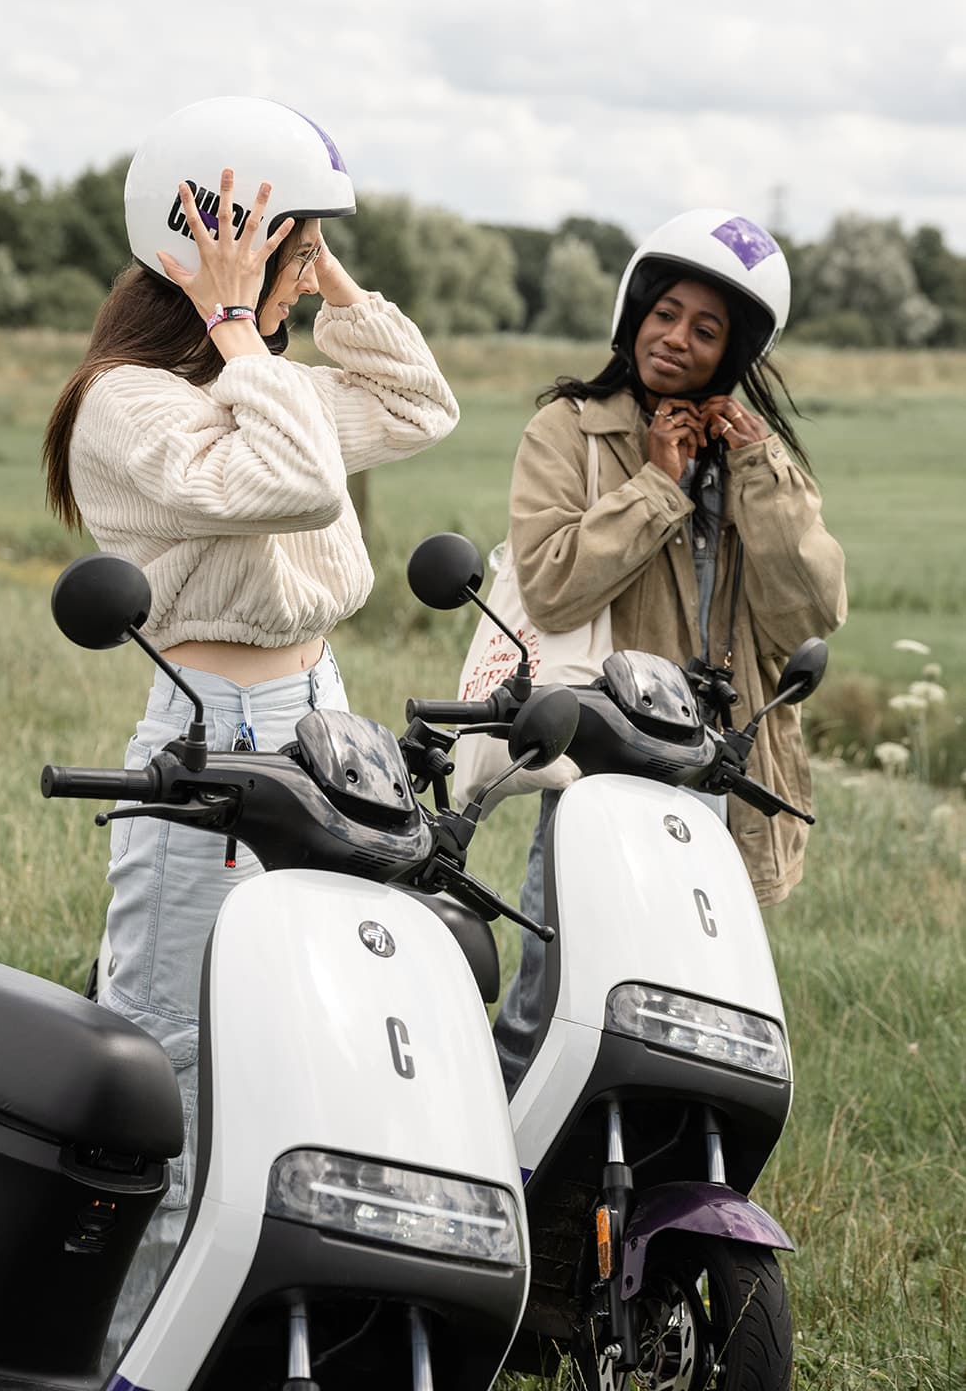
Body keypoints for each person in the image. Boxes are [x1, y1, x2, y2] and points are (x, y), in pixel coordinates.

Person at [41, 96, 459, 1351]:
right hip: (215, 727)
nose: (287, 283)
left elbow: (420, 404)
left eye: (296, 257)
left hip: (320, 719)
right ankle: (121, 1359)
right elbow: (295, 478)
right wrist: (236, 328)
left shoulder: (251, 378)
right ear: (205, 250)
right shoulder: (130, 403)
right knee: (176, 1057)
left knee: (303, 1040)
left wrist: (327, 290)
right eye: (282, 252)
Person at [493, 207, 847, 1089]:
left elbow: (813, 610)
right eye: (664, 314)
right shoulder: (567, 432)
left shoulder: (756, 460)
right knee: (553, 995)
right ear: (633, 312)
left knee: (699, 1004)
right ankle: (514, 1180)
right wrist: (656, 484)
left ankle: (657, 1198)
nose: (676, 340)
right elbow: (552, 582)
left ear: (732, 353)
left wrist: (758, 475)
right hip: (605, 760)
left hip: (718, 768)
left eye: (705, 329)